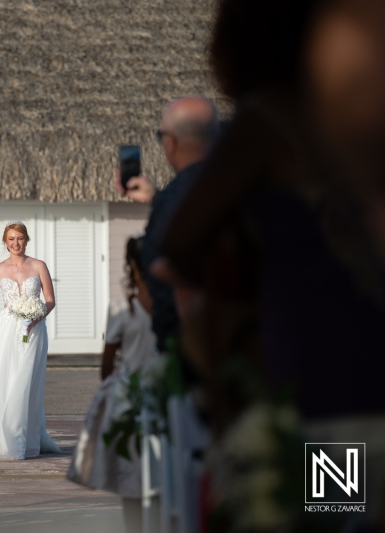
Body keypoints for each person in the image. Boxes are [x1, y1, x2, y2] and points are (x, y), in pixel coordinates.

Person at [154, 0, 385, 528]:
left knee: (334, 519)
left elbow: (182, 237)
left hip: (326, 383)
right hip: (362, 371)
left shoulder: (273, 120)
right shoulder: (363, 116)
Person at [67, 235, 157, 531]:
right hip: (163, 395)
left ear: (132, 266)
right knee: (162, 476)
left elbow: (106, 368)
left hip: (130, 400)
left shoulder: (121, 310)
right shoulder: (173, 308)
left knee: (131, 480)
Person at [0, 221, 61, 461]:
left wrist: (35, 317)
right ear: (5, 242)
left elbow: (50, 300)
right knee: (2, 379)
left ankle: (25, 440)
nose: (15, 243)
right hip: (6, 330)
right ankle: (0, 438)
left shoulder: (39, 266)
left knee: (26, 381)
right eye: (11, 239)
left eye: (19, 238)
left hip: (34, 329)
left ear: (26, 240)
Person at [135, 97, 219, 354]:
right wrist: (155, 196)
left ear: (170, 142)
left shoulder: (178, 196)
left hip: (191, 350)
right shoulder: (230, 185)